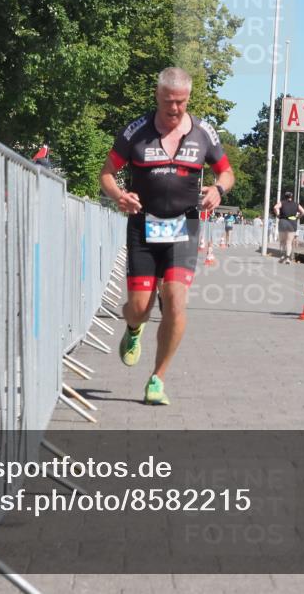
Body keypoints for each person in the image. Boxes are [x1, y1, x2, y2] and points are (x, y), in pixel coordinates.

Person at [99, 67, 234, 405]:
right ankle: (133, 328)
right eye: (168, 102)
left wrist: (218, 190)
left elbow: (227, 172)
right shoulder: (136, 132)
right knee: (140, 308)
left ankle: (157, 378)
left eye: (181, 103)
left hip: (184, 227)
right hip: (143, 226)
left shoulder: (204, 133)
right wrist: (119, 196)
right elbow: (107, 173)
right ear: (157, 96)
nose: (175, 109)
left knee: (175, 301)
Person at [273, 191, 304, 264]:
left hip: (283, 222)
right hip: (292, 223)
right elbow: (303, 212)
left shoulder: (282, 203)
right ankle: (288, 258)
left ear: (285, 196)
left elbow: (275, 207)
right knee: (289, 242)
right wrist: (297, 217)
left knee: (282, 241)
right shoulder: (296, 204)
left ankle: (282, 256)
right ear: (291, 197)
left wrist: (278, 215)